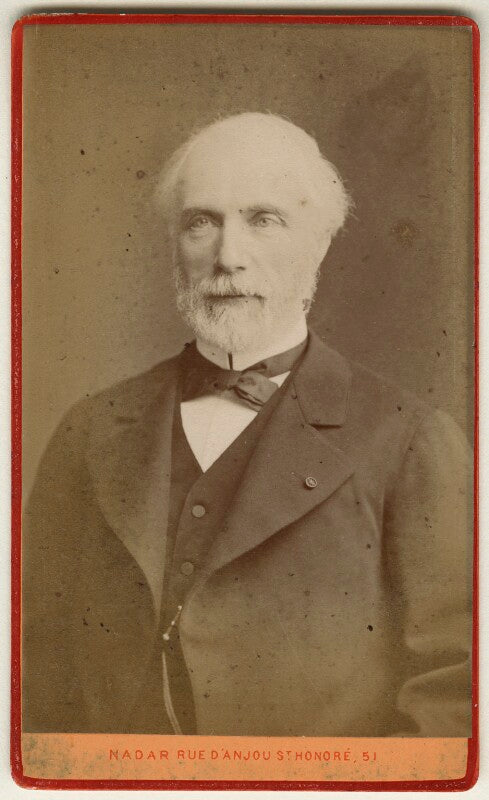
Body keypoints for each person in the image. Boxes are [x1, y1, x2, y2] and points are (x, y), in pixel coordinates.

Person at [22, 112, 472, 737]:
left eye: (264, 220)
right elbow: (32, 668)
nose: (228, 258)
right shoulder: (89, 431)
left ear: (319, 243)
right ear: (175, 243)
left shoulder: (410, 440)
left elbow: (455, 694)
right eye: (201, 223)